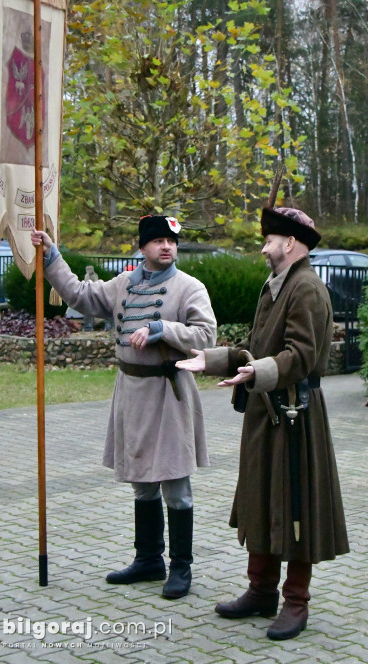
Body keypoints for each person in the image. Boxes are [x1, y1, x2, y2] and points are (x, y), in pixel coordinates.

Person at [177, 206, 349, 641]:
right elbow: (257, 346)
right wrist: (213, 359)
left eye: (269, 240)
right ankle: (261, 591)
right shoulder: (276, 285)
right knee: (261, 498)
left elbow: (303, 356)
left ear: (289, 243)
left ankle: (296, 601)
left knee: (295, 505)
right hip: (266, 413)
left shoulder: (306, 288)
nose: (263, 248)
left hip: (295, 414)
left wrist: (259, 371)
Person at [31, 215, 217, 599]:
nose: (166, 247)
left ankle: (181, 566)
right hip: (131, 392)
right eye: (159, 241)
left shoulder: (189, 287)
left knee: (176, 485)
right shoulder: (123, 284)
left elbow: (206, 336)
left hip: (169, 393)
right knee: (142, 484)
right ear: (143, 246)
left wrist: (161, 329)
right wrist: (51, 256)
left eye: (171, 241)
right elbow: (80, 295)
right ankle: (148, 559)